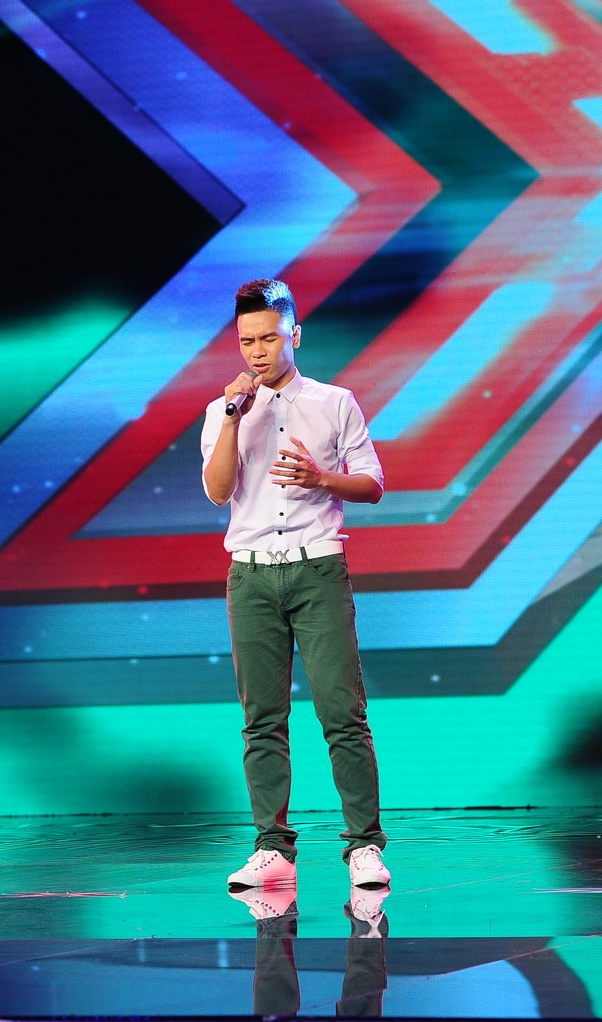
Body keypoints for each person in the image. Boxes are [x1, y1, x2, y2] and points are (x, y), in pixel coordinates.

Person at [200, 278, 390, 892]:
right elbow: (217, 491)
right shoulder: (224, 409)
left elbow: (373, 483)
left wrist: (322, 477)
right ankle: (272, 848)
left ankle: (364, 845)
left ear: (295, 335)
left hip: (317, 569)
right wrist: (234, 418)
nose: (257, 352)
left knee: (342, 713)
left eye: (268, 338)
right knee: (262, 718)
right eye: (246, 341)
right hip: (251, 573)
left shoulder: (335, 402)